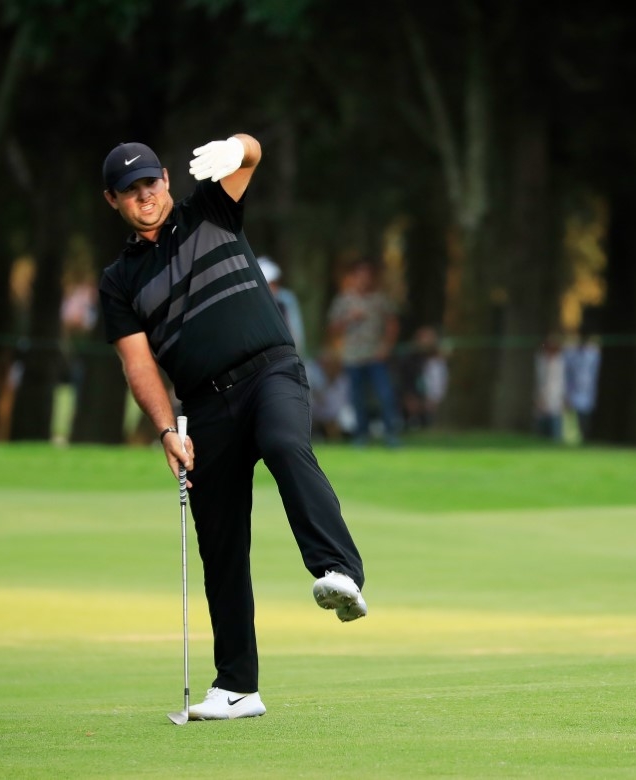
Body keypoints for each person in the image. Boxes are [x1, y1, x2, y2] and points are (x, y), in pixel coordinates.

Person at [96, 134, 367, 722]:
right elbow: (138, 363)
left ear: (166, 178)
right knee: (218, 540)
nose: (144, 195)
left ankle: (338, 570)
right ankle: (238, 687)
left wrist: (237, 146)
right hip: (202, 407)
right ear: (112, 200)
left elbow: (253, 154)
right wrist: (167, 429)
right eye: (129, 191)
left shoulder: (210, 209)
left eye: (150, 183)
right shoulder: (118, 282)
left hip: (270, 370)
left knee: (284, 443)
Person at [326, 259, 402, 447]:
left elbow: (392, 324)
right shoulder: (344, 300)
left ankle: (391, 434)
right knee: (357, 398)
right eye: (360, 276)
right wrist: (349, 319)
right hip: (352, 356)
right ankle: (361, 436)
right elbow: (333, 328)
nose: (364, 280)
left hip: (376, 355)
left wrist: (386, 347)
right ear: (353, 278)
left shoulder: (380, 299)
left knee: (385, 395)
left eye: (368, 276)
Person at [397, 325, 448, 431]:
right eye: (424, 338)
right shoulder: (410, 360)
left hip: (439, 396)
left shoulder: (442, 360)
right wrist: (411, 396)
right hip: (418, 395)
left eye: (430, 338)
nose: (427, 341)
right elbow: (407, 381)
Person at [257, 256, 306, 355]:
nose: (273, 287)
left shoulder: (286, 299)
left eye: (274, 283)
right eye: (270, 284)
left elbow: (295, 331)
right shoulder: (255, 304)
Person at [562, 330, 601, 442]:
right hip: (573, 394)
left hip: (588, 394)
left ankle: (586, 438)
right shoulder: (570, 354)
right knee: (573, 422)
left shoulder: (593, 354)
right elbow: (567, 375)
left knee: (586, 420)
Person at [533, 333, 565, 442]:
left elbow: (562, 381)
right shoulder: (540, 360)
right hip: (542, 395)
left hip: (556, 396)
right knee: (541, 422)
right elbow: (540, 380)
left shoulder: (560, 361)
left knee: (555, 421)